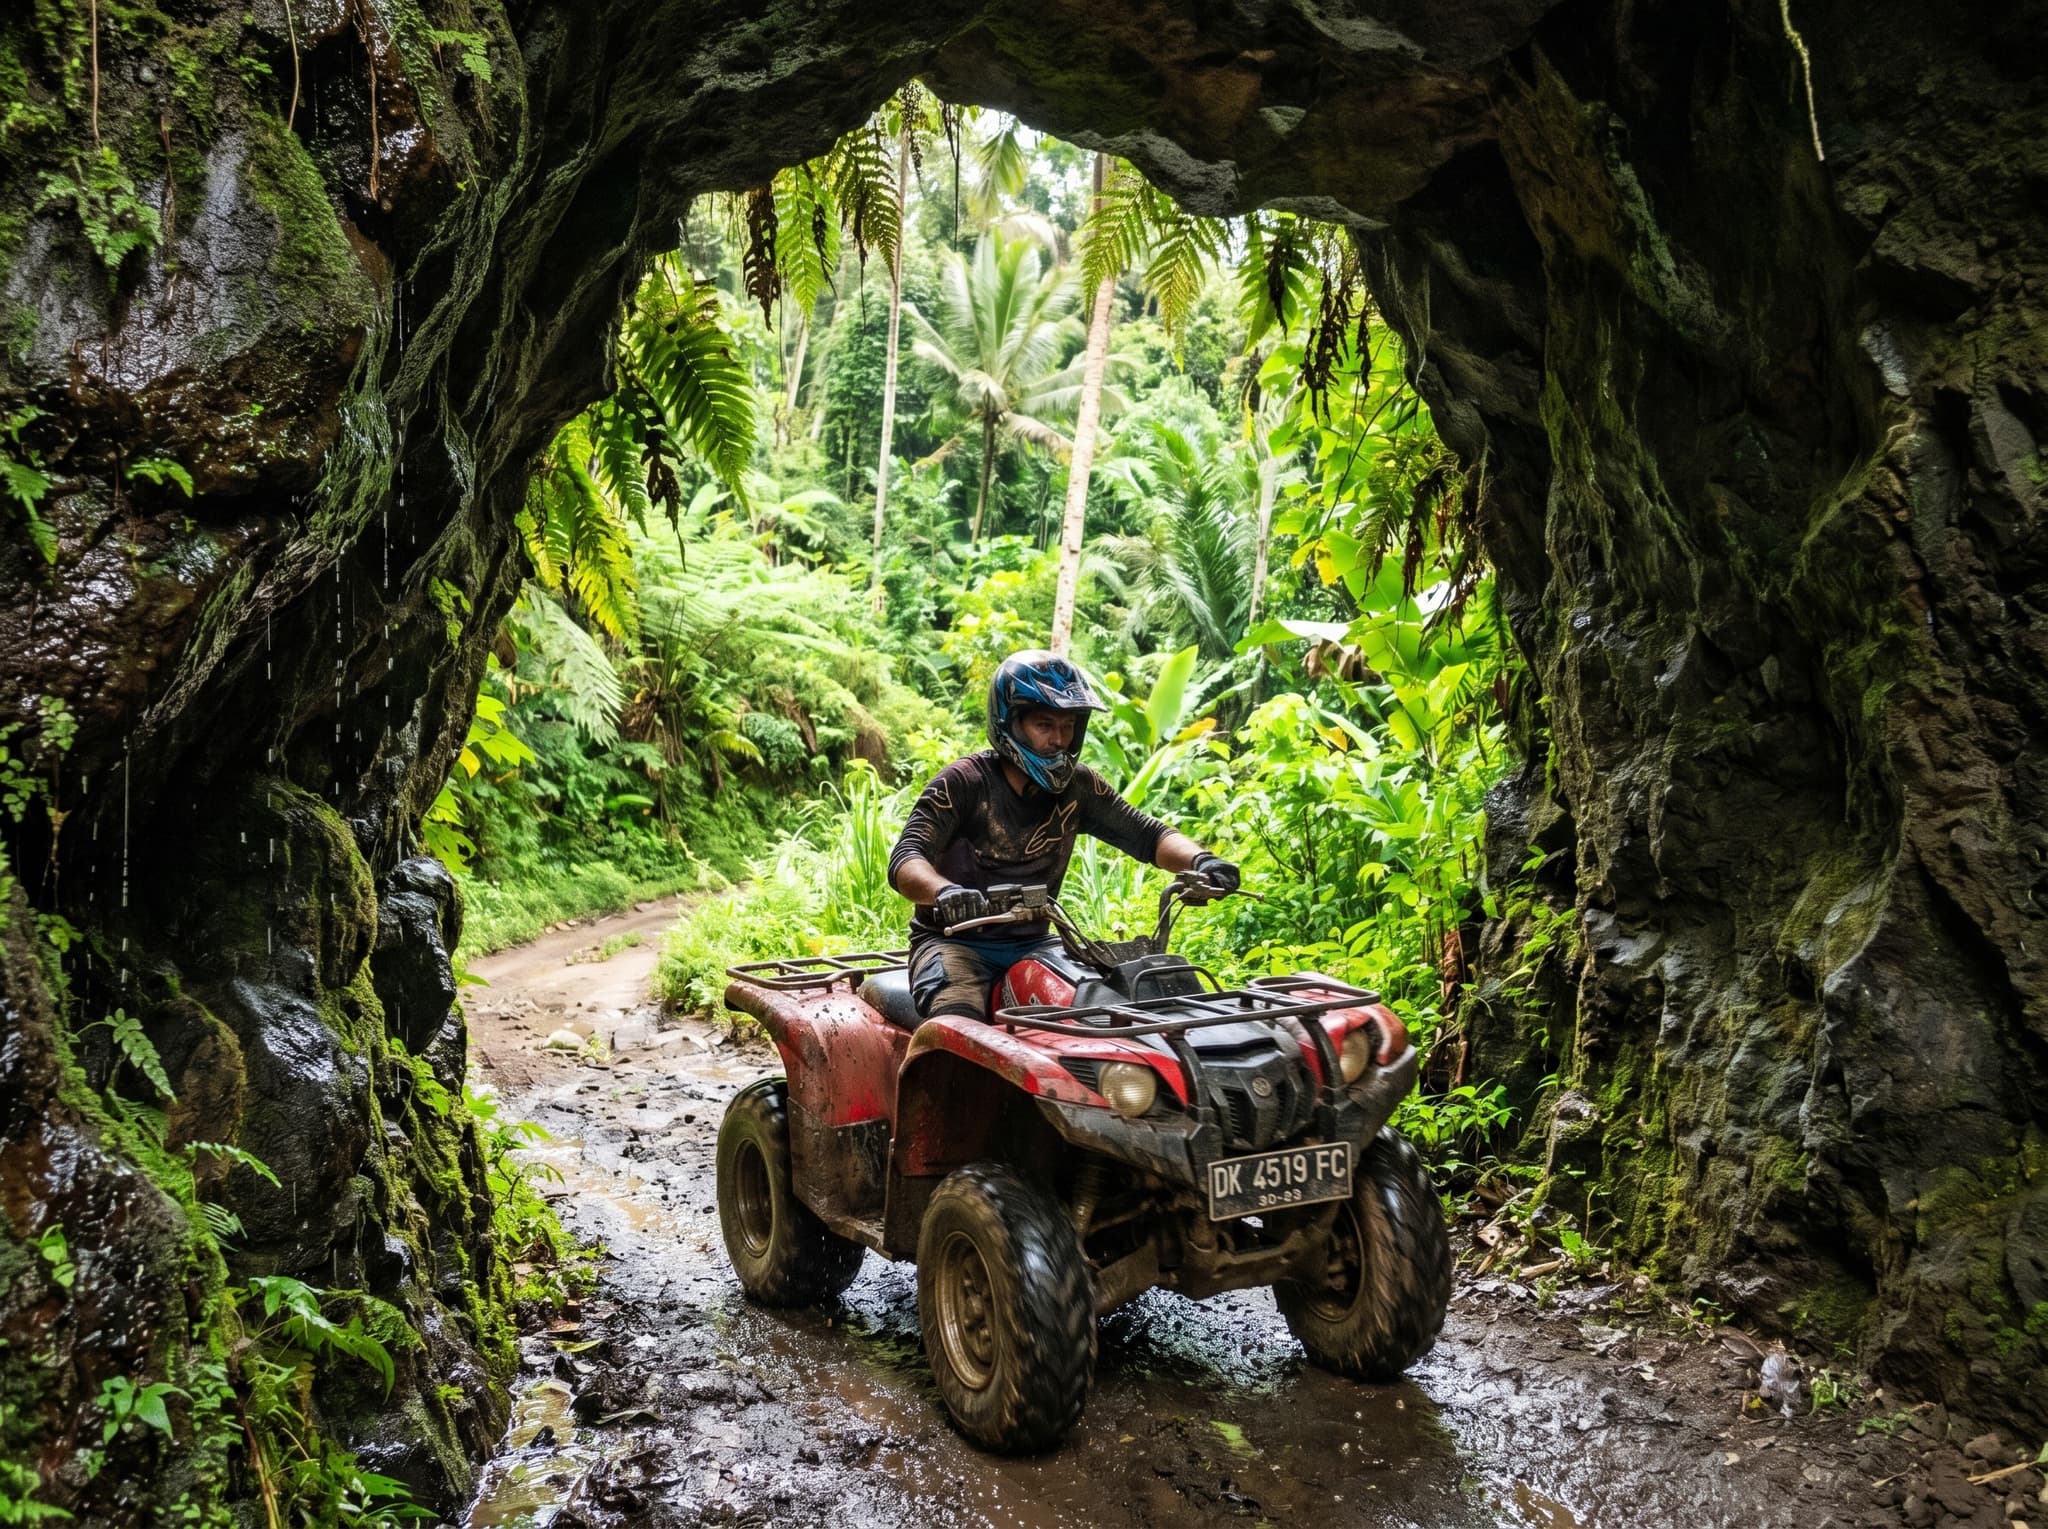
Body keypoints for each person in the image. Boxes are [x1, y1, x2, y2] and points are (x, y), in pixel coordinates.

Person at [887, 649, 1239, 1022]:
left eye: (1067, 726)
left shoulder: (1079, 787)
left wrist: (1202, 861)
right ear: (1011, 723)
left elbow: (1145, 833)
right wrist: (945, 893)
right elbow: (907, 858)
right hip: (953, 944)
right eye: (1044, 725)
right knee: (957, 1028)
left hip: (1037, 942)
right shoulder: (963, 783)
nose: (1058, 739)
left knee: (1105, 1012)